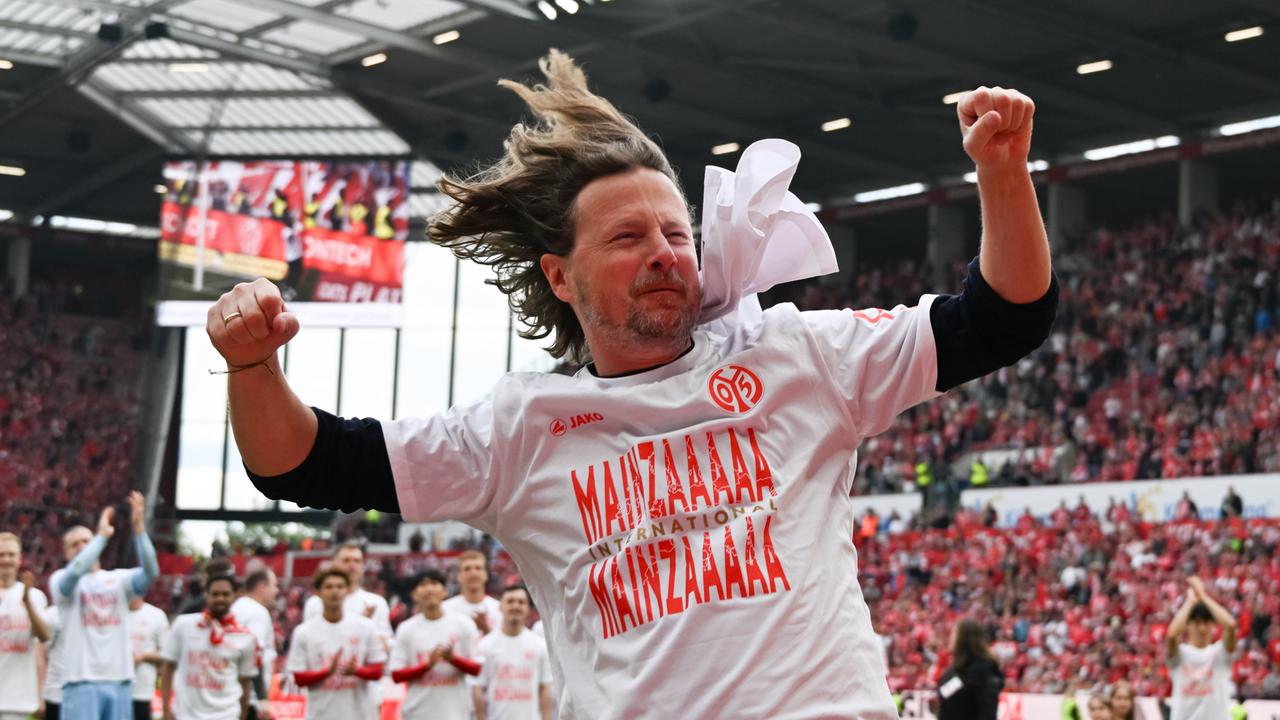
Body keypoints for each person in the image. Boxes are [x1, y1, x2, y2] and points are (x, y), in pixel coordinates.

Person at [210, 50, 1056, 718]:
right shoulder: (519, 429)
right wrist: (252, 365)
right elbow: (304, 463)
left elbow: (1001, 319)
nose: (662, 253)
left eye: (676, 234)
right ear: (561, 275)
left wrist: (1002, 172)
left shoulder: (796, 358)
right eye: (626, 238)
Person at [51, 491, 159, 720]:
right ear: (66, 553)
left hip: (119, 678)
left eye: (85, 541)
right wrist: (100, 537)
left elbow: (151, 572)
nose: (81, 547)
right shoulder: (61, 580)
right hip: (80, 680)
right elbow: (76, 570)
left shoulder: (118, 579)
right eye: (74, 545)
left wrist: (140, 530)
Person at [286, 568, 386, 720]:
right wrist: (326, 672)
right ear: (318, 592)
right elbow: (299, 678)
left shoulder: (365, 626)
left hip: (359, 714)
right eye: (329, 587)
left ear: (347, 591)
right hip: (320, 714)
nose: (335, 591)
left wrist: (356, 671)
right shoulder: (303, 632)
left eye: (340, 586)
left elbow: (378, 671)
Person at [160, 574, 258, 720]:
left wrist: (242, 715)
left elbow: (245, 681)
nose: (220, 598)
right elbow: (168, 667)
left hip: (227, 715)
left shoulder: (246, 637)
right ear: (206, 595)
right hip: (186, 715)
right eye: (215, 594)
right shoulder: (183, 625)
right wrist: (166, 709)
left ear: (234, 596)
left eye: (225, 594)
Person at [389, 570, 481, 720]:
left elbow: (477, 669)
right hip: (417, 713)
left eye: (434, 583)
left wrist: (453, 659)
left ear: (445, 591)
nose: (429, 589)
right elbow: (396, 675)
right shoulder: (406, 629)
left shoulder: (463, 624)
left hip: (455, 713)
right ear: (414, 595)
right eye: (423, 585)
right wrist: (426, 666)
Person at [473, 585, 553, 720]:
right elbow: (478, 689)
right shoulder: (485, 646)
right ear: (500, 607)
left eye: (521, 602)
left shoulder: (540, 645)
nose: (515, 606)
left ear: (528, 609)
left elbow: (545, 689)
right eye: (510, 601)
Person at [1166, 576, 1238, 720]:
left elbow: (1230, 625)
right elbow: (1171, 635)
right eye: (1197, 623)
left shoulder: (1220, 653)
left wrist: (1203, 595)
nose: (1202, 628)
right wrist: (1190, 601)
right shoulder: (1180, 654)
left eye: (1207, 623)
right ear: (1187, 625)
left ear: (1213, 625)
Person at [0, 532, 52, 720]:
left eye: (11, 554)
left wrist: (27, 603)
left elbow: (44, 636)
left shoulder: (35, 596)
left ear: (19, 559)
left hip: (17, 698)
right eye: (1, 554)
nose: (6, 559)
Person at [301, 542, 391, 649]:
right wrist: (360, 623)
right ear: (334, 564)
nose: (352, 565)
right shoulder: (316, 603)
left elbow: (386, 645)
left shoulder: (376, 603)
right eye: (346, 560)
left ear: (363, 566)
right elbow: (309, 642)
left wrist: (367, 629)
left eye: (357, 561)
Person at [230, 568, 280, 720]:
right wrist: (262, 697)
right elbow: (254, 653)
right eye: (274, 585)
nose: (276, 591)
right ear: (262, 587)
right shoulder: (257, 612)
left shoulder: (236, 607)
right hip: (250, 699)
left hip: (232, 693)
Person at [937, 619, 1003, 720]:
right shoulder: (958, 668)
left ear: (964, 638)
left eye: (955, 633)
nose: (951, 638)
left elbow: (987, 711)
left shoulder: (983, 670)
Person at [441, 550, 502, 636]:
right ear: (459, 576)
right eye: (467, 569)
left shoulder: (500, 609)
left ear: (486, 574)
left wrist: (486, 629)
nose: (473, 573)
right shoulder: (445, 609)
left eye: (478, 568)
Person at [128, 595, 169, 720]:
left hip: (143, 690)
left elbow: (167, 653)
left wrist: (143, 656)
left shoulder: (156, 615)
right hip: (114, 687)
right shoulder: (114, 613)